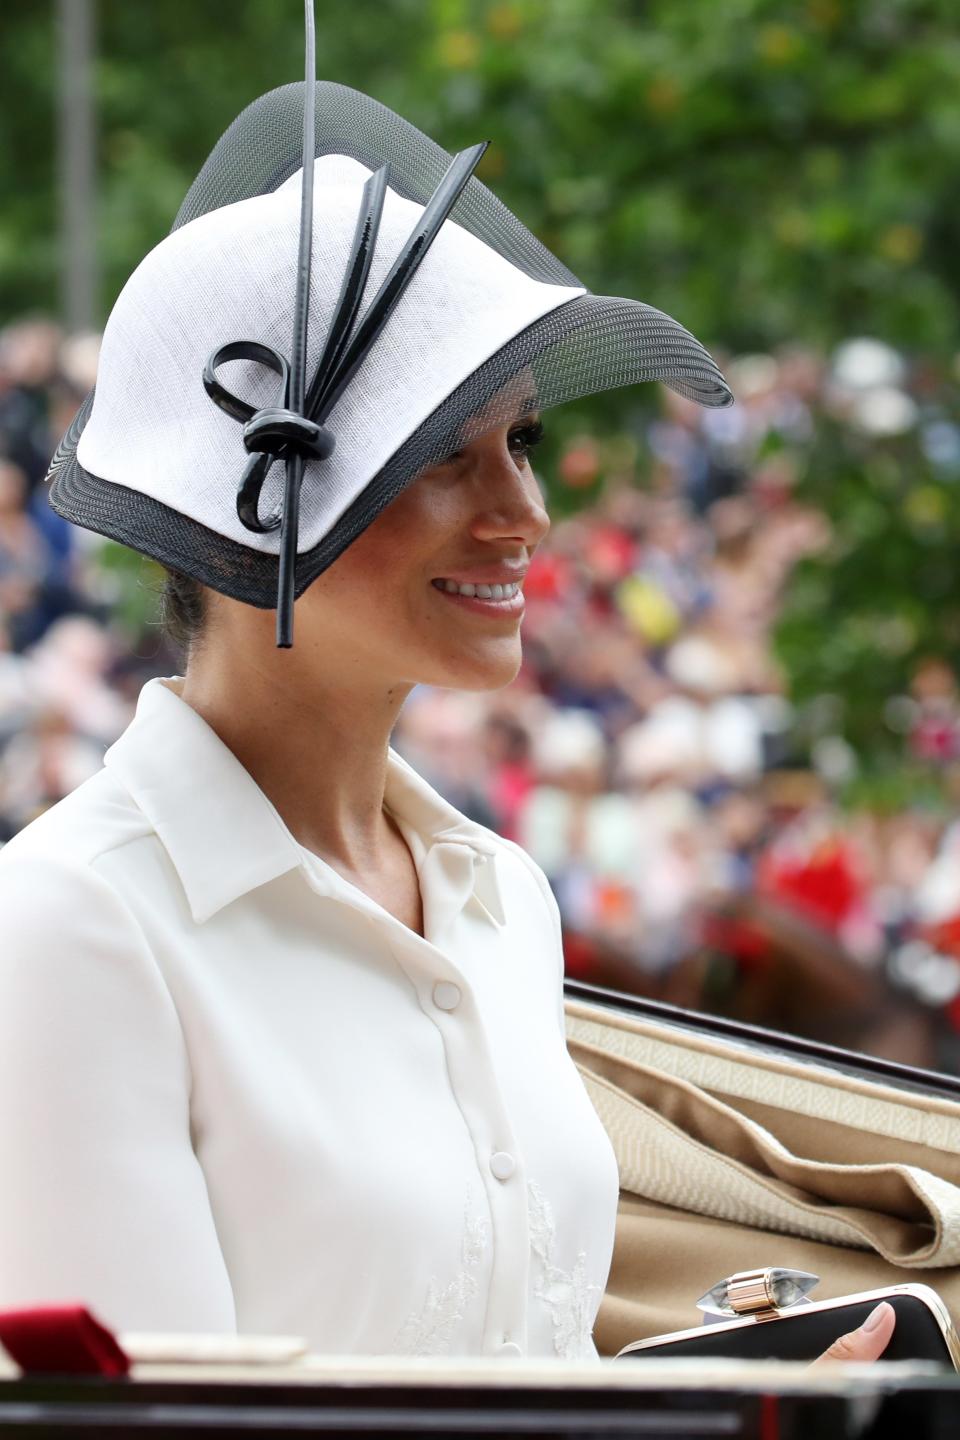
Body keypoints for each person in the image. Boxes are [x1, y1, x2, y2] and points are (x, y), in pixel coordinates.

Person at [0, 68, 893, 1365]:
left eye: (520, 441)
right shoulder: (70, 926)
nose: (525, 511)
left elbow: (521, 1369)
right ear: (248, 510)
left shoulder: (500, 898)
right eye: (439, 454)